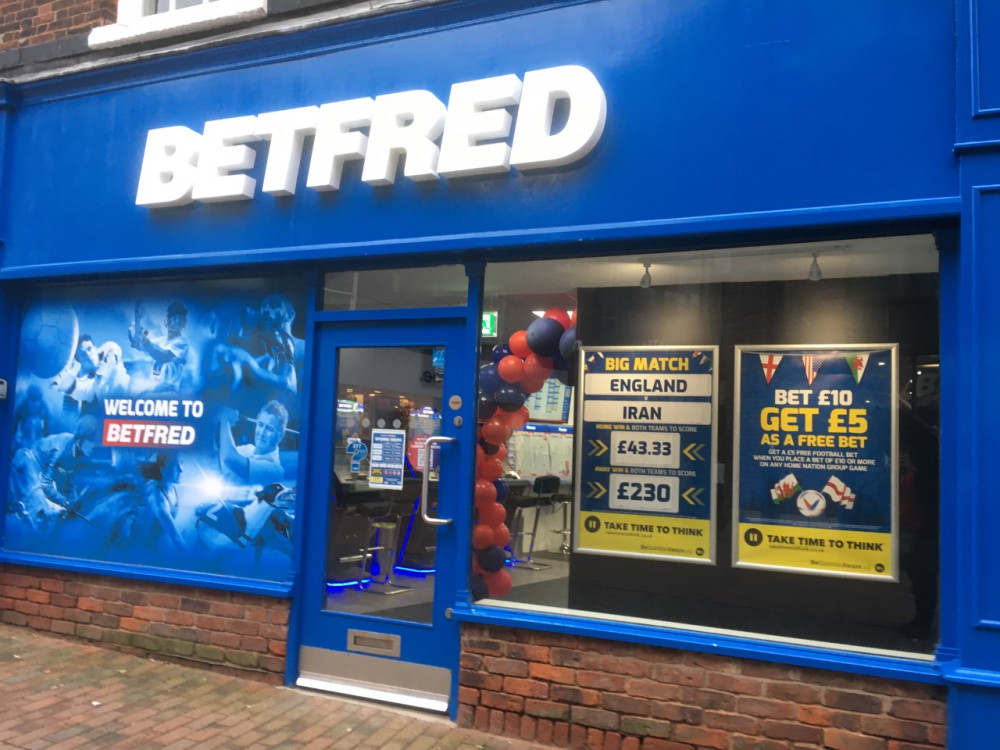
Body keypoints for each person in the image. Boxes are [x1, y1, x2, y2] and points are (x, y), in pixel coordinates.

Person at [51, 334, 130, 411]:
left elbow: (115, 348)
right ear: (79, 360)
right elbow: (84, 391)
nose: (88, 355)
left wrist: (104, 367)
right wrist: (69, 386)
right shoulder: (89, 380)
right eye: (83, 354)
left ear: (95, 348)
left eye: (89, 349)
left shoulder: (107, 349)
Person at [219, 400, 288, 486]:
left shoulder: (275, 470)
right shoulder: (246, 449)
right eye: (260, 424)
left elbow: (229, 459)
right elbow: (220, 459)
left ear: (280, 435)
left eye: (269, 429)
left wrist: (225, 420)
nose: (262, 433)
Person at [128, 301, 190, 392]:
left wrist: (145, 341)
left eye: (180, 319)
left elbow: (163, 356)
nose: (178, 322)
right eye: (175, 318)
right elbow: (142, 346)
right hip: (156, 390)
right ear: (168, 321)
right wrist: (135, 336)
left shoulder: (182, 342)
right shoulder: (161, 340)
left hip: (170, 392)